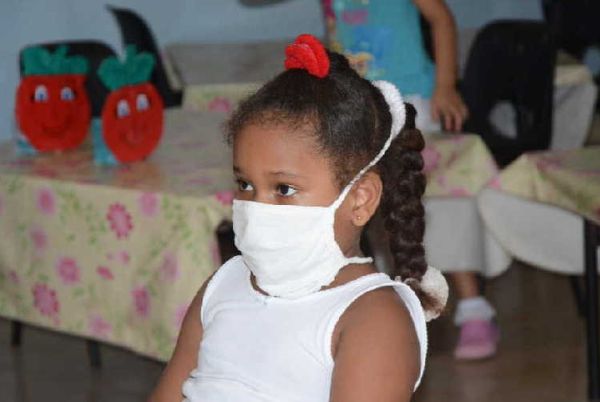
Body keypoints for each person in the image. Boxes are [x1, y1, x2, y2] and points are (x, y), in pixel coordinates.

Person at [149, 34, 448, 401]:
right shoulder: (223, 284)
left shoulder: (373, 318)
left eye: (284, 189)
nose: (256, 206)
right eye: (244, 184)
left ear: (360, 199)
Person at [322, 0, 499, 360]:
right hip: (363, 107)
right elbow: (336, 34)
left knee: (440, 200)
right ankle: (396, 301)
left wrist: (446, 85)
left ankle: (473, 306)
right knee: (375, 206)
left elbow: (441, 18)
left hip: (413, 100)